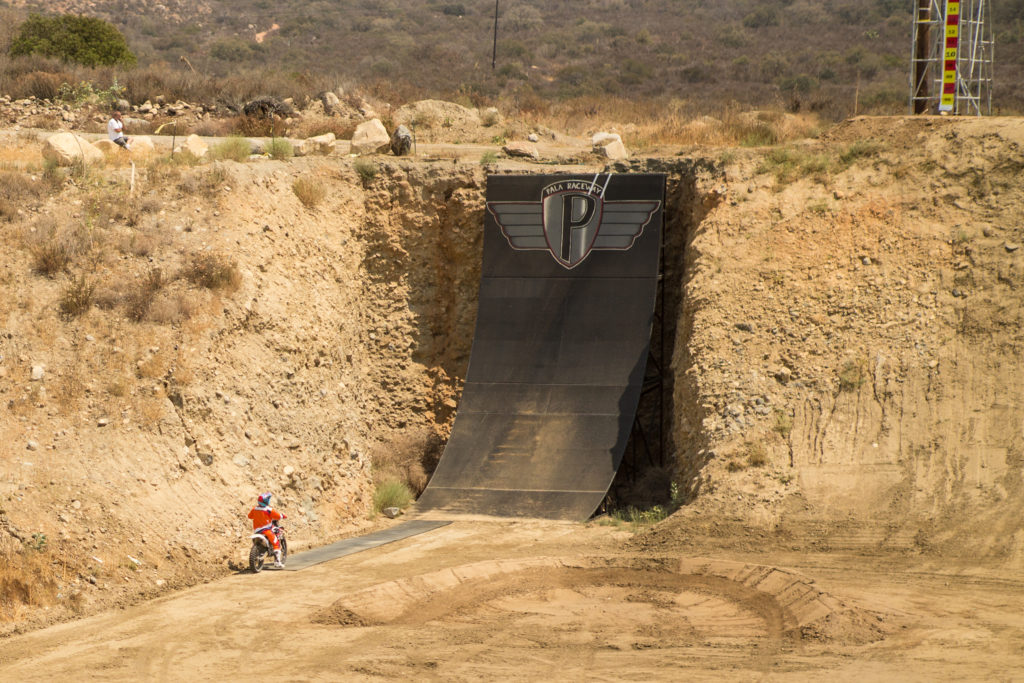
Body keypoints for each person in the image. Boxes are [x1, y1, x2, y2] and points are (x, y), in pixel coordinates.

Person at [247, 492, 286, 568]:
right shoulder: (268, 510)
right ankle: (277, 562)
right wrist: (283, 516)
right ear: (266, 501)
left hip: (257, 531)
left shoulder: (254, 508)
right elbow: (277, 516)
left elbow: (249, 516)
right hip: (266, 531)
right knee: (276, 543)